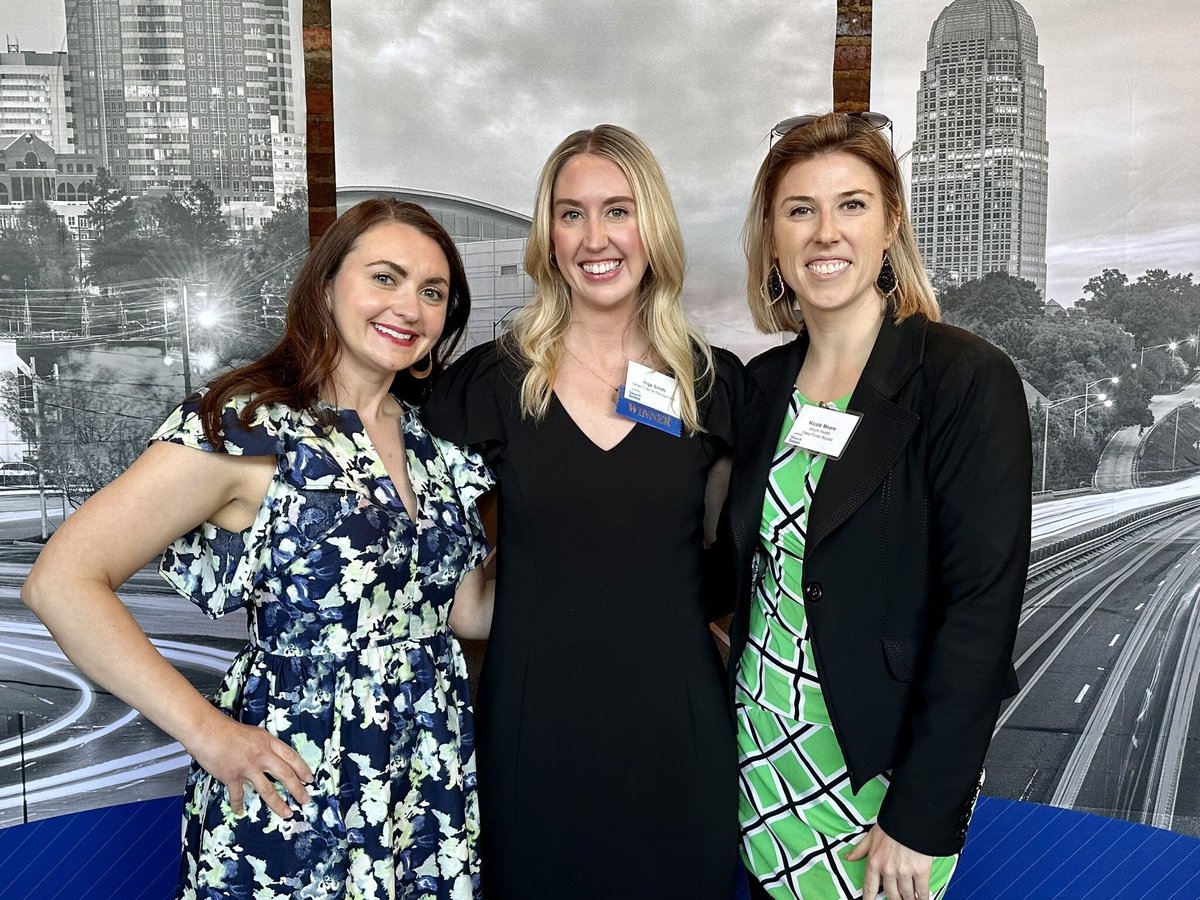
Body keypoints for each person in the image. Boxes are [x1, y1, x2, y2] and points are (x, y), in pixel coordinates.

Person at [22, 198, 494, 899]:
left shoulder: (437, 448)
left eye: (433, 293)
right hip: (292, 785)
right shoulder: (246, 425)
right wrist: (207, 732)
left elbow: (468, 616)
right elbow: (60, 581)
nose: (410, 307)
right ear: (327, 285)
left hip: (425, 783)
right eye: (386, 278)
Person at [422, 124, 742, 898]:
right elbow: (418, 544)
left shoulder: (714, 384)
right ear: (548, 235)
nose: (595, 237)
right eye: (571, 214)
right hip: (536, 730)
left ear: (652, 226)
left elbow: (740, 562)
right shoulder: (488, 385)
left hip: (677, 729)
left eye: (618, 210)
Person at [727, 112, 1031, 900]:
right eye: (800, 210)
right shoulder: (758, 389)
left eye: (852, 205)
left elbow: (981, 612)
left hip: (877, 774)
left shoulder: (962, 378)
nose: (826, 233)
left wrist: (923, 813)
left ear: (892, 221)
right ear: (773, 235)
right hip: (759, 753)